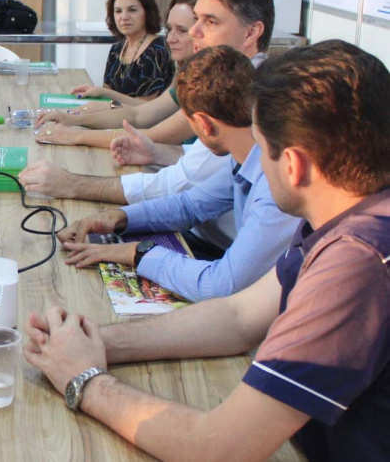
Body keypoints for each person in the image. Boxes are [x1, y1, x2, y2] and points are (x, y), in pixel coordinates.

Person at [23, 40, 390, 462]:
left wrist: (84, 379)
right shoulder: (352, 220)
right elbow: (237, 317)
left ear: (293, 165)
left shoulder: (355, 264)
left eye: (261, 147)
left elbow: (216, 447)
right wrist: (93, 342)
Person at [21, 0, 275, 254]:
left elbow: (180, 185)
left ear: (252, 32)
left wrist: (73, 182)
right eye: (195, 21)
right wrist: (154, 154)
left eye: (210, 22)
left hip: (208, 248)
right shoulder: (228, 80)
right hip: (197, 235)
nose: (194, 32)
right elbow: (200, 178)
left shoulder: (246, 97)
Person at [56, 46, 299, 301]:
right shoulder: (244, 157)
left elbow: (220, 286)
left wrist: (138, 252)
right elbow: (189, 205)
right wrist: (117, 217)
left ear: (204, 125)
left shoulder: (274, 186)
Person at [34, 0, 198, 149]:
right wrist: (72, 119)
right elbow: (136, 115)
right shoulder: (184, 71)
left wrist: (76, 134)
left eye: (182, 30)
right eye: (169, 29)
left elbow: (150, 131)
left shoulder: (157, 52)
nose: (170, 39)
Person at [71, 0, 174, 104]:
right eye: (118, 11)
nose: (124, 17)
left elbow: (145, 107)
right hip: (117, 116)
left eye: (132, 10)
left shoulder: (156, 50)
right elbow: (109, 98)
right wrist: (94, 93)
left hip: (146, 122)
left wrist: (104, 94)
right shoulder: (117, 48)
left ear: (147, 12)